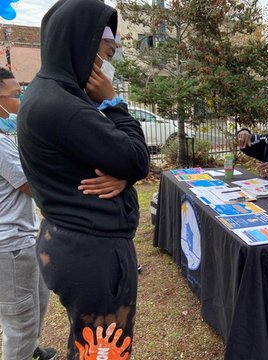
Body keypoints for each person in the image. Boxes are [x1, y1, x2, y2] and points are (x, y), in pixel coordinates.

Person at [17, 0, 150, 359]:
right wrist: (113, 102)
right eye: (105, 53)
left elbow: (110, 157)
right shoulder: (65, 106)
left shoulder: (46, 94)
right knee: (104, 349)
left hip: (68, 239)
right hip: (93, 252)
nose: (106, 65)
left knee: (90, 341)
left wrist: (122, 175)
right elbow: (137, 158)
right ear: (83, 46)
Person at [0, 68, 57, 360]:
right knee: (20, 319)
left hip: (24, 236)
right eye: (14, 94)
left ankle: (32, 349)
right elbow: (29, 185)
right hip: (9, 245)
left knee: (37, 300)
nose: (20, 100)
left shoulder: (4, 136)